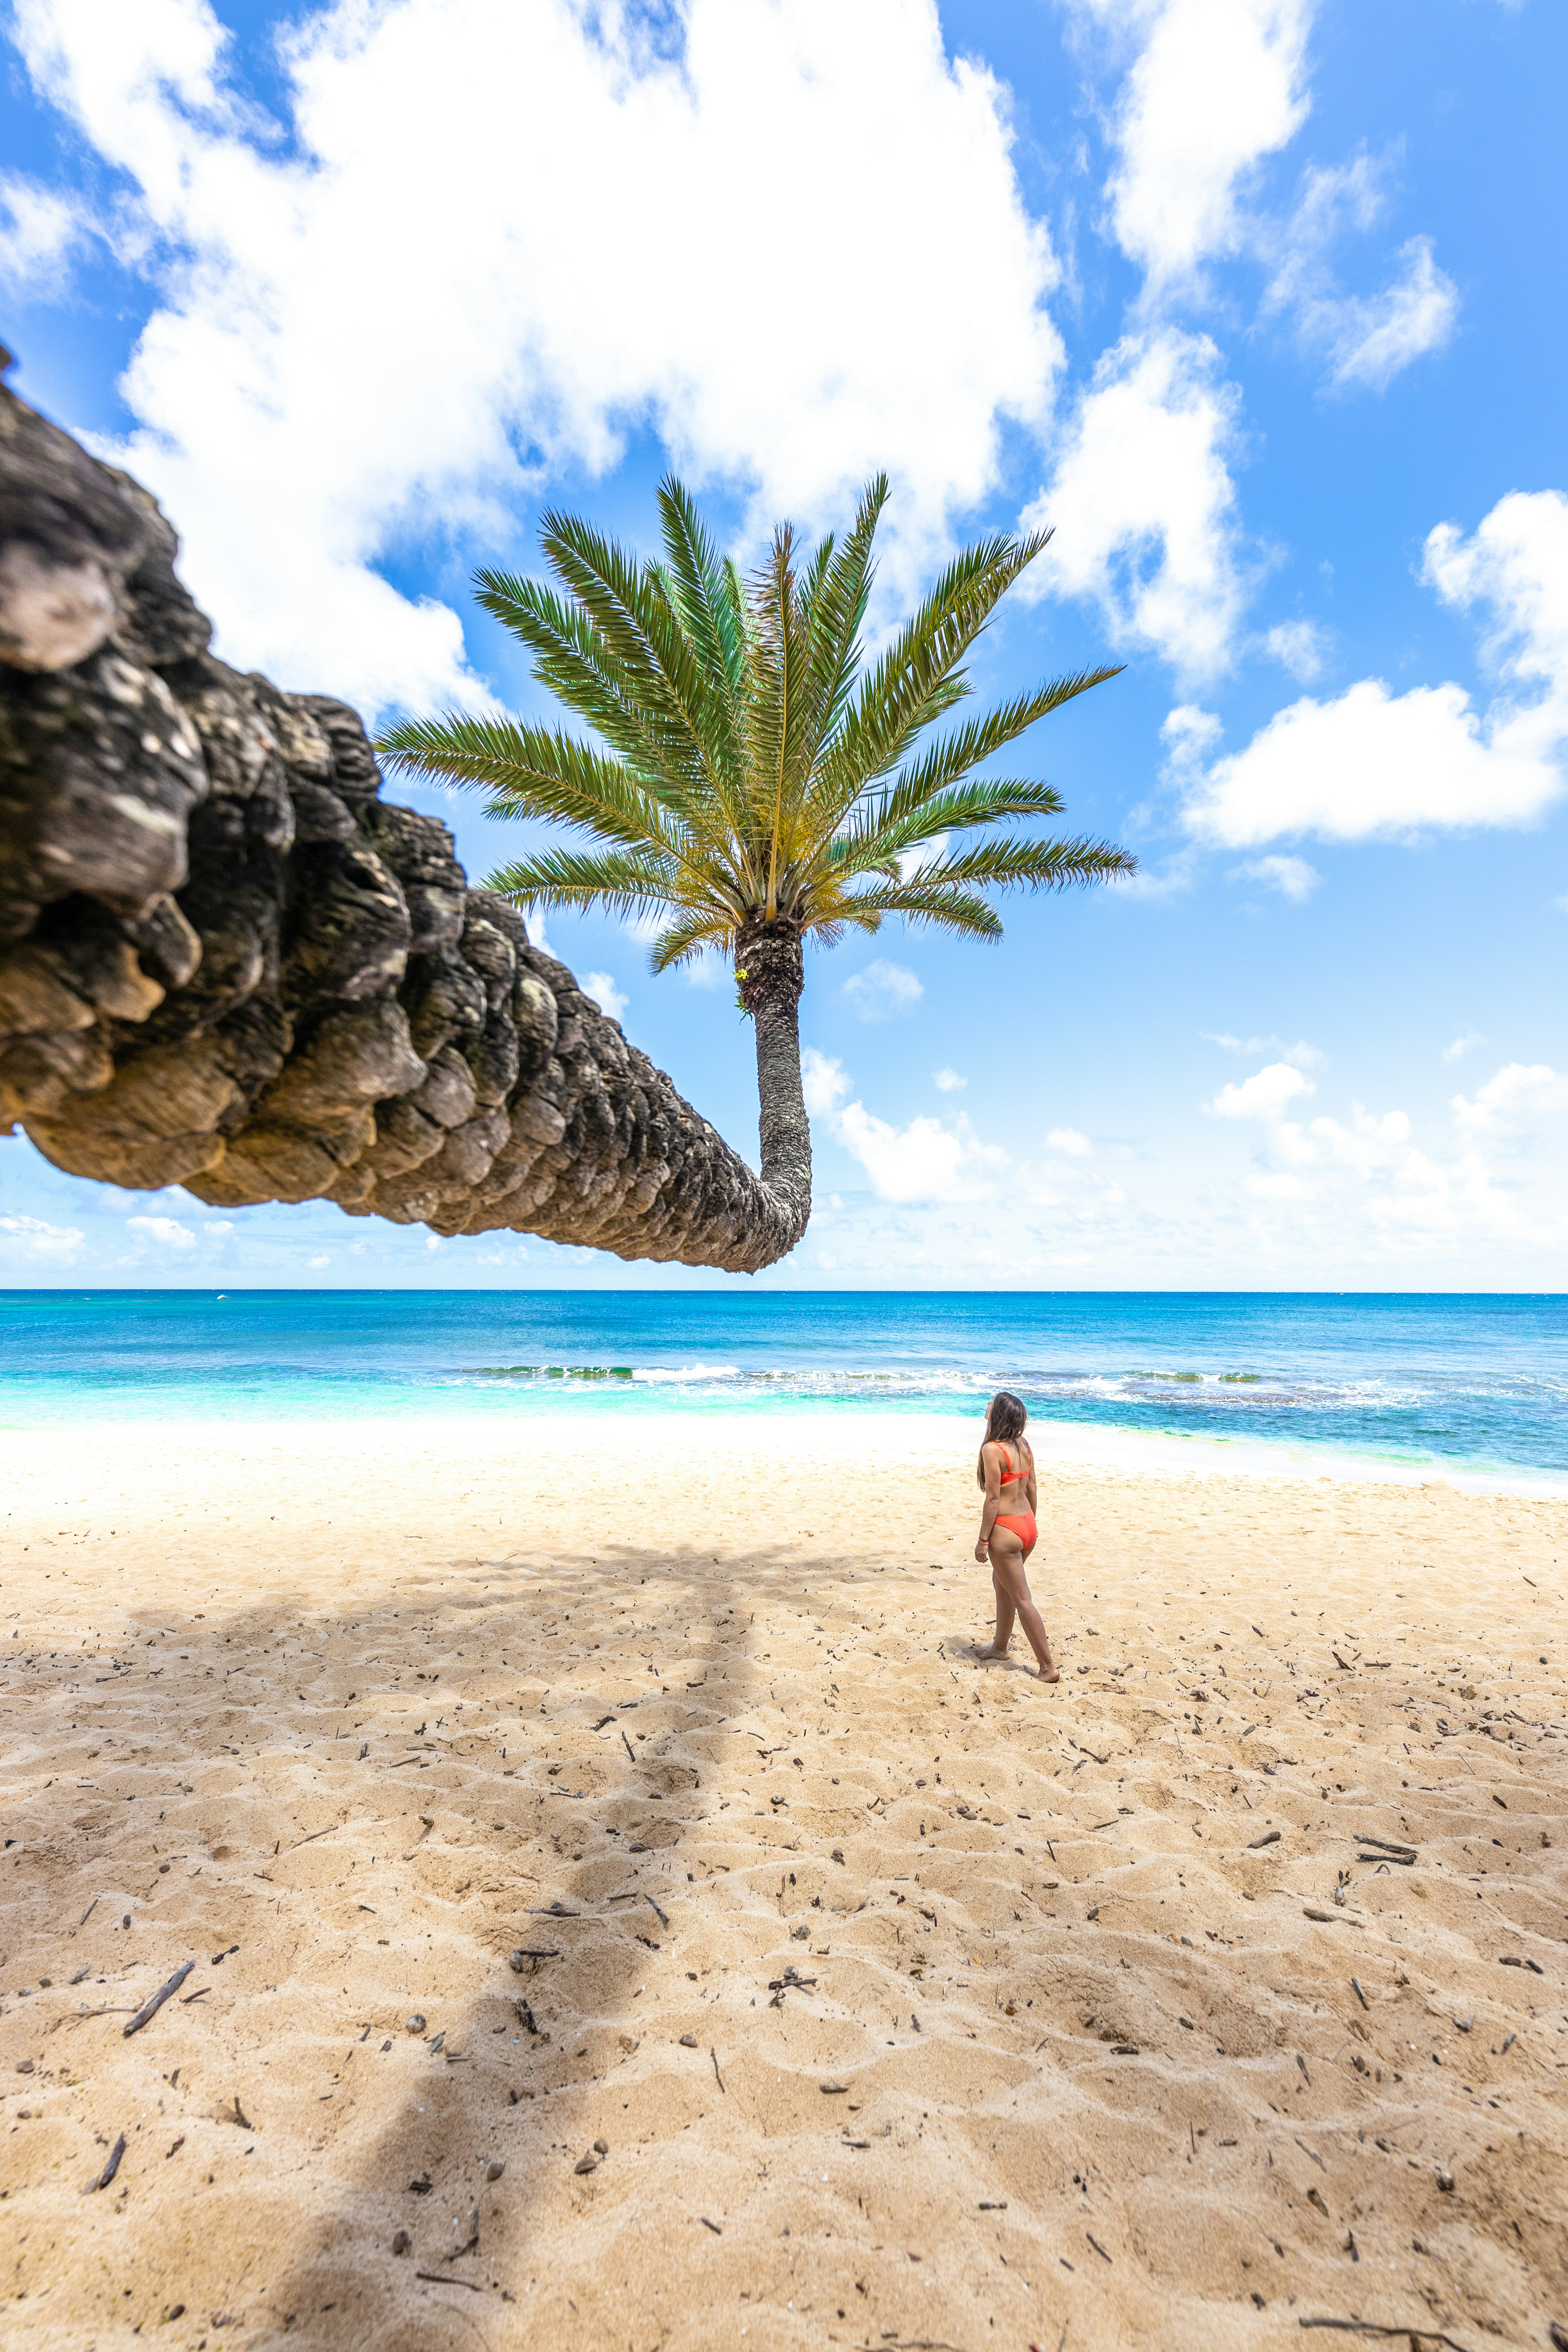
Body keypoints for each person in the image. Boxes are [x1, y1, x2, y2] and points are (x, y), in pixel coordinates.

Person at [974, 1390, 1059, 1681]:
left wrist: (983, 1540)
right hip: (1026, 1525)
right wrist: (1029, 1525)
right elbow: (1033, 1488)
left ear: (998, 1414)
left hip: (1007, 1530)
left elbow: (993, 1500)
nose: (987, 1405)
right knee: (1003, 1585)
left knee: (1022, 1599)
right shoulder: (1023, 1444)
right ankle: (999, 1647)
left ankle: (1048, 1667)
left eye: (992, 1403)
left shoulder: (992, 1450)